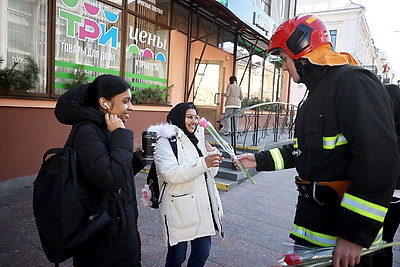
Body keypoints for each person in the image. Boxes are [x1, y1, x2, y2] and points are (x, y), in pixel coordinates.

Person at [235, 14, 400, 267]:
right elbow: (307, 149)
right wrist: (259, 160)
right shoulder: (318, 92)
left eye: (284, 59)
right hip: (316, 232)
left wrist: (354, 235)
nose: (283, 67)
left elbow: (379, 160)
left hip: (343, 245)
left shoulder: (352, 83)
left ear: (301, 53)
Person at [54, 74, 146, 266]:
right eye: (126, 101)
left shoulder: (106, 127)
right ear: (105, 103)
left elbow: (117, 173)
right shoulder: (87, 131)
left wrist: (137, 160)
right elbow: (110, 179)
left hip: (118, 231)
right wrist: (121, 134)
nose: (131, 107)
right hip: (103, 241)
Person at [149, 102, 224, 267]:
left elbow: (210, 175)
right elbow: (171, 174)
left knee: (203, 251)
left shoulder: (200, 139)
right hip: (179, 208)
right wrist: (204, 162)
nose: (194, 121)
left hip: (201, 206)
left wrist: (212, 158)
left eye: (196, 117)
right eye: (189, 117)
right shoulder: (165, 141)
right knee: (177, 256)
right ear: (178, 118)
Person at [372, 84, 400, 266]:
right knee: (387, 242)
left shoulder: (385, 129)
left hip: (387, 195)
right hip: (396, 197)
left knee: (379, 243)